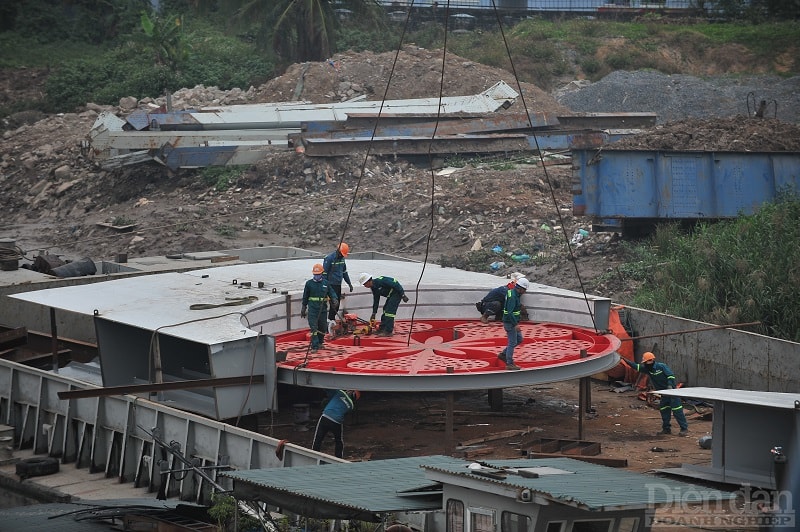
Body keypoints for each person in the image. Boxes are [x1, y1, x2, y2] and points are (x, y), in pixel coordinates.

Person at [620, 351, 689, 436]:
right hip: (664, 394)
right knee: (664, 411)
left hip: (672, 393)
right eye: (644, 362)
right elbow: (636, 366)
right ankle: (666, 429)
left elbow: (670, 376)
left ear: (651, 360)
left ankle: (684, 429)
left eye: (646, 362)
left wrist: (670, 385)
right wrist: (625, 360)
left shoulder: (661, 366)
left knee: (677, 411)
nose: (645, 364)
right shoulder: (647, 369)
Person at [301, 263, 338, 352]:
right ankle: (315, 346)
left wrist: (334, 299)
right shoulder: (309, 284)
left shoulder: (326, 283)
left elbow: (331, 293)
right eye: (315, 274)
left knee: (322, 327)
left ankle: (320, 342)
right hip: (313, 309)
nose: (317, 276)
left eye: (318, 274)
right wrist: (303, 307)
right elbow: (305, 296)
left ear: (322, 273)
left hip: (323, 310)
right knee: (314, 328)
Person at [311, 389, 360, 458]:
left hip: (326, 417)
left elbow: (327, 390)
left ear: (350, 391)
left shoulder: (340, 393)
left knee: (318, 438)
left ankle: (314, 455)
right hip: (337, 422)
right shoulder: (351, 406)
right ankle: (339, 458)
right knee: (338, 441)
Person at [497, 277, 529, 370]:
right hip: (510, 322)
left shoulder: (514, 293)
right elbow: (510, 312)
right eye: (524, 290)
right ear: (520, 288)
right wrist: (515, 324)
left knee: (519, 339)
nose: (525, 292)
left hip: (512, 321)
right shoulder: (513, 297)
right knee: (512, 342)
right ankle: (509, 363)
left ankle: (503, 354)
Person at [323, 243, 353, 323]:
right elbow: (324, 274)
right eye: (342, 254)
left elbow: (344, 272)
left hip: (338, 285)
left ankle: (331, 320)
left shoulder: (342, 259)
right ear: (338, 251)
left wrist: (349, 283)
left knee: (337, 304)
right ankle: (329, 321)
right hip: (331, 285)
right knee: (334, 303)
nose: (342, 256)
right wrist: (326, 287)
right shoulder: (329, 258)